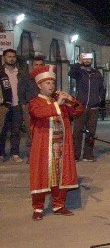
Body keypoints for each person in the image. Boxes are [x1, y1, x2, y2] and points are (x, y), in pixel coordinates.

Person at [28, 65, 84, 220]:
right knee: (42, 175)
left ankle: (59, 205)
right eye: (47, 83)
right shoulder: (35, 102)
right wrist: (58, 104)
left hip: (61, 145)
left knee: (60, 175)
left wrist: (70, 99)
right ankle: (38, 208)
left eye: (52, 83)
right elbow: (39, 113)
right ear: (39, 85)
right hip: (43, 146)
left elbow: (79, 110)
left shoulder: (60, 101)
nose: (51, 86)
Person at [68, 51, 104, 161]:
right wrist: (79, 62)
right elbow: (71, 73)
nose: (87, 60)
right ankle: (75, 154)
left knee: (91, 132)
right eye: (85, 58)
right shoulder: (79, 71)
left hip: (93, 107)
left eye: (89, 58)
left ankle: (88, 154)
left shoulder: (97, 73)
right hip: (81, 106)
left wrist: (100, 100)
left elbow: (102, 88)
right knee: (77, 131)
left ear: (92, 60)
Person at [1, 48, 27, 163]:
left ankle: (14, 153)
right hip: (4, 106)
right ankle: (1, 154)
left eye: (13, 57)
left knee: (16, 130)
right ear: (4, 58)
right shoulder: (1, 72)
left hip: (17, 105)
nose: (11, 59)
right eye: (9, 56)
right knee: (2, 130)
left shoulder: (20, 73)